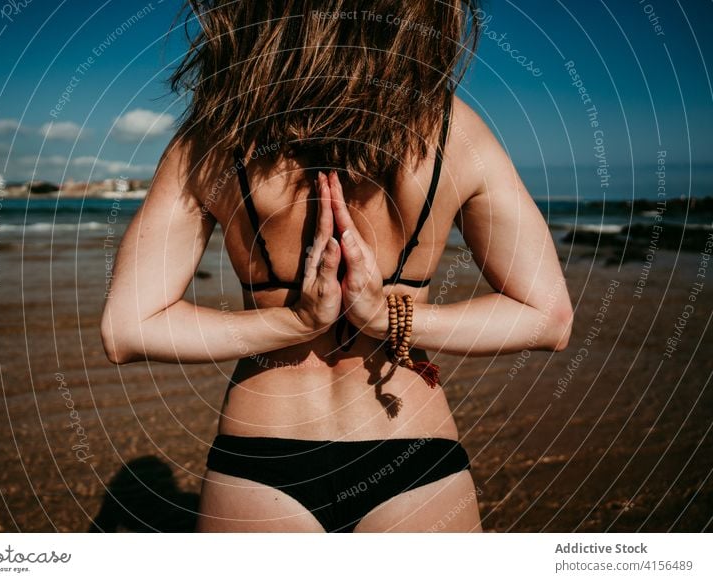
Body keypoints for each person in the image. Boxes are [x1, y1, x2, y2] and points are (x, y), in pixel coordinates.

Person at [100, 0, 573, 532]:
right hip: (412, 445)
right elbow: (548, 316)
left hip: (260, 457)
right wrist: (390, 319)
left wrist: (293, 322)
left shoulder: (216, 139)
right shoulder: (454, 132)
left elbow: (127, 329)